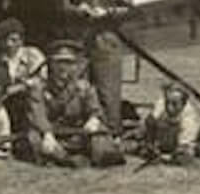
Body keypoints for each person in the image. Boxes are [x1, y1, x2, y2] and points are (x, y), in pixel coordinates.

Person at [61, 0, 134, 135]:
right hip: (80, 39)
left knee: (108, 91)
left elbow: (129, 9)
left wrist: (108, 12)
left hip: (107, 39)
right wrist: (79, 10)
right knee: (76, 87)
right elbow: (64, 4)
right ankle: (74, 132)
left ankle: (111, 135)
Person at [14, 40, 125, 168]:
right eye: (59, 62)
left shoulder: (83, 87)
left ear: (75, 66)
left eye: (68, 62)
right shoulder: (39, 88)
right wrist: (47, 134)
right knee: (34, 139)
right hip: (52, 134)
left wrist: (93, 119)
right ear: (51, 64)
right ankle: (65, 158)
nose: (63, 67)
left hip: (77, 133)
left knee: (100, 134)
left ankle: (96, 155)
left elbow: (95, 109)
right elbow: (38, 114)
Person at [0, 16, 46, 129]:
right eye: (5, 40)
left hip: (34, 101)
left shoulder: (33, 55)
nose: (9, 44)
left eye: (13, 40)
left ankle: (42, 130)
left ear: (21, 40)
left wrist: (22, 86)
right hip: (7, 102)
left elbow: (42, 80)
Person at [139, 81, 200, 165]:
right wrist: (150, 144)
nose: (169, 107)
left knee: (183, 158)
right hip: (160, 141)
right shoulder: (163, 102)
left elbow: (183, 148)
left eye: (175, 104)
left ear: (183, 104)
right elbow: (150, 120)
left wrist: (164, 157)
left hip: (178, 147)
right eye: (167, 102)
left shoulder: (189, 120)